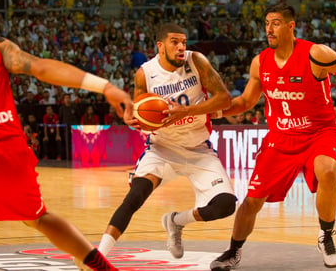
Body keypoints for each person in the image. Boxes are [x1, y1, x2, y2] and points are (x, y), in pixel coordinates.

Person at [210, 4, 336, 270]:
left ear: (290, 26)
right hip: (281, 137)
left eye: (275, 23)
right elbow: (245, 102)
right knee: (252, 200)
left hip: (319, 133)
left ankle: (327, 236)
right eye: (266, 23)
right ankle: (233, 251)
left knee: (328, 170)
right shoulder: (259, 62)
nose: (269, 29)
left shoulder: (316, 54)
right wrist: (211, 111)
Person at [95, 23, 237, 262]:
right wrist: (132, 118)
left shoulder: (197, 61)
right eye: (175, 42)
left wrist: (188, 110)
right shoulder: (145, 73)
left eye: (183, 42)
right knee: (135, 196)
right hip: (162, 147)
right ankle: (97, 257)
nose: (181, 47)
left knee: (225, 206)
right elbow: (140, 114)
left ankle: (175, 221)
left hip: (198, 148)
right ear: (160, 46)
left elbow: (224, 99)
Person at [0, 37, 132, 270]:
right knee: (37, 218)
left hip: (6, 149)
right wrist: (105, 87)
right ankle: (99, 266)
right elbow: (41, 67)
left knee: (36, 218)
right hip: (7, 150)